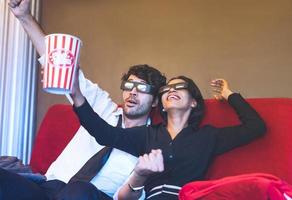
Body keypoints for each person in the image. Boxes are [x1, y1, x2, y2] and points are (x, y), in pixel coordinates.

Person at [2, 0, 166, 199]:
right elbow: (57, 62)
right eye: (129, 86)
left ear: (155, 101)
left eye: (142, 89)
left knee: (79, 190)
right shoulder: (100, 106)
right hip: (51, 188)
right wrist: (24, 16)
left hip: (94, 195)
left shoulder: (153, 142)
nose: (132, 93)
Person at [71, 75, 267, 200]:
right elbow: (103, 133)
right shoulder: (147, 135)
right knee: (78, 191)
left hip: (186, 197)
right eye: (166, 90)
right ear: (162, 105)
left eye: (180, 87)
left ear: (193, 103)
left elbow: (256, 127)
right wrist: (76, 94)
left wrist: (228, 94)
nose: (171, 90)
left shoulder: (208, 136)